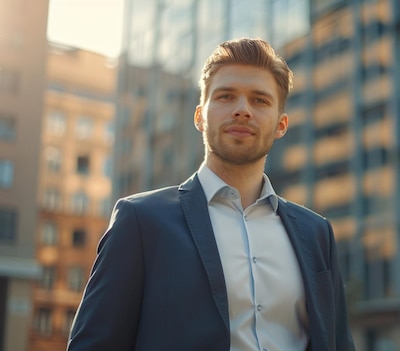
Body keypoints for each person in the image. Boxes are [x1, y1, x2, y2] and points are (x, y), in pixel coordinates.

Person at [67, 38, 355, 351]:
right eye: (226, 96)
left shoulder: (316, 233)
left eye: (259, 100)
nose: (242, 110)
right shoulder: (140, 222)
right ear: (200, 116)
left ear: (281, 124)